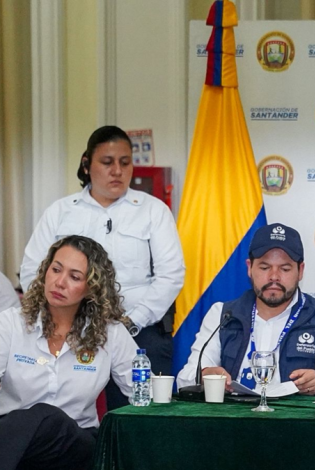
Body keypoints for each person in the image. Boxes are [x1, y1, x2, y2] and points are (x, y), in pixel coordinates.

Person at [19, 125, 184, 409]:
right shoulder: (61, 211)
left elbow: (171, 275)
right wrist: (63, 318)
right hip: (69, 328)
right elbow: (33, 271)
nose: (117, 171)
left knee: (145, 414)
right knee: (59, 412)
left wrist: (132, 322)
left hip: (139, 330)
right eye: (107, 162)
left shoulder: (153, 210)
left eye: (125, 162)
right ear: (87, 164)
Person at [0, 236, 137, 470]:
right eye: (56, 270)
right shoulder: (11, 323)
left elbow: (144, 392)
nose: (60, 282)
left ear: (92, 288)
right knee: (34, 419)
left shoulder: (111, 333)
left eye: (74, 277)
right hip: (15, 442)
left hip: (76, 445)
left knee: (49, 417)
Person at [177, 223, 315, 397]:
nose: (274, 277)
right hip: (234, 414)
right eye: (264, 267)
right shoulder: (223, 314)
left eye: (285, 269)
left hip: (296, 415)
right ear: (249, 268)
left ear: (300, 271)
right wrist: (205, 374)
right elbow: (184, 378)